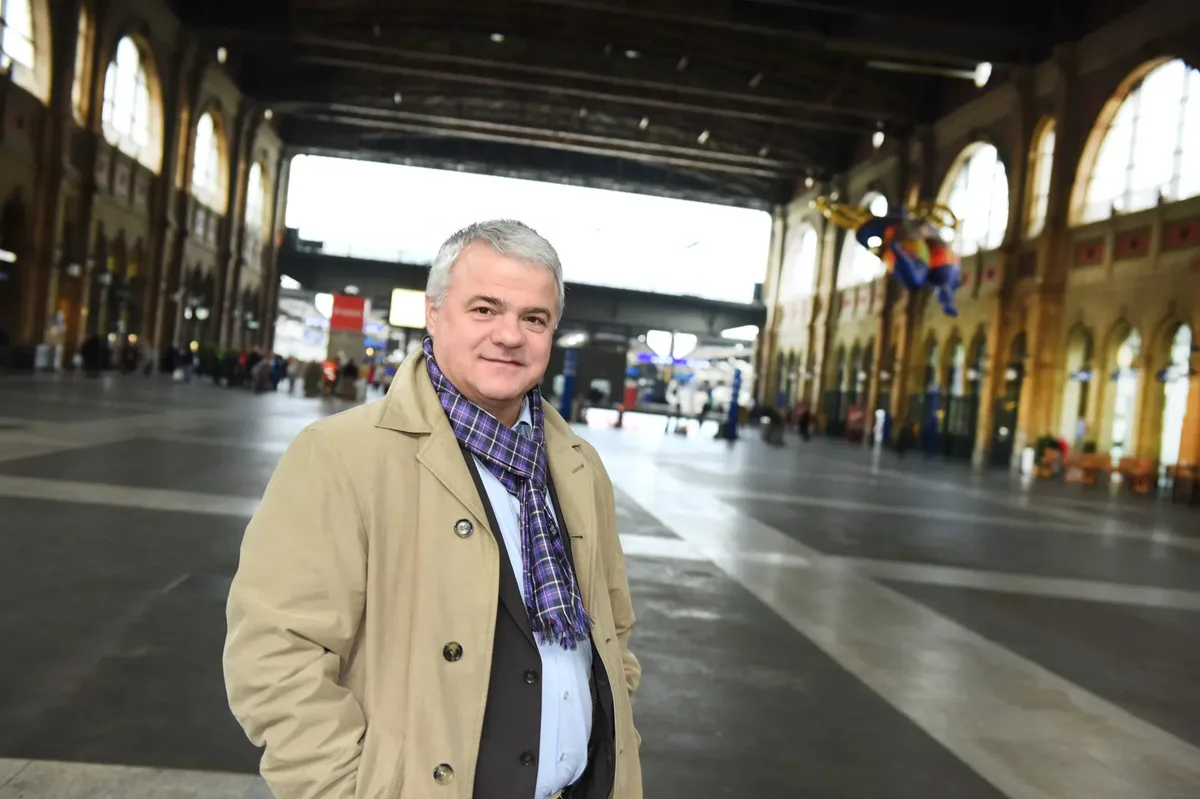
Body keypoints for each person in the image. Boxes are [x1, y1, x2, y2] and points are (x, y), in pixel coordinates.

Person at [223, 220, 643, 799]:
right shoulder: (343, 456)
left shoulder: (577, 465)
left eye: (533, 319)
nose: (510, 336)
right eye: (484, 309)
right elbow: (276, 655)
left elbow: (612, 629)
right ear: (434, 314)